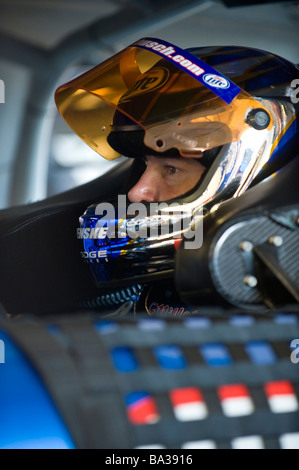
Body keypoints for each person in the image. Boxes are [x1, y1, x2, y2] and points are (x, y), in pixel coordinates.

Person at [55, 38, 299, 316]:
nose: (137, 193)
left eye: (171, 169)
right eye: (145, 164)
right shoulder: (149, 296)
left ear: (252, 171)